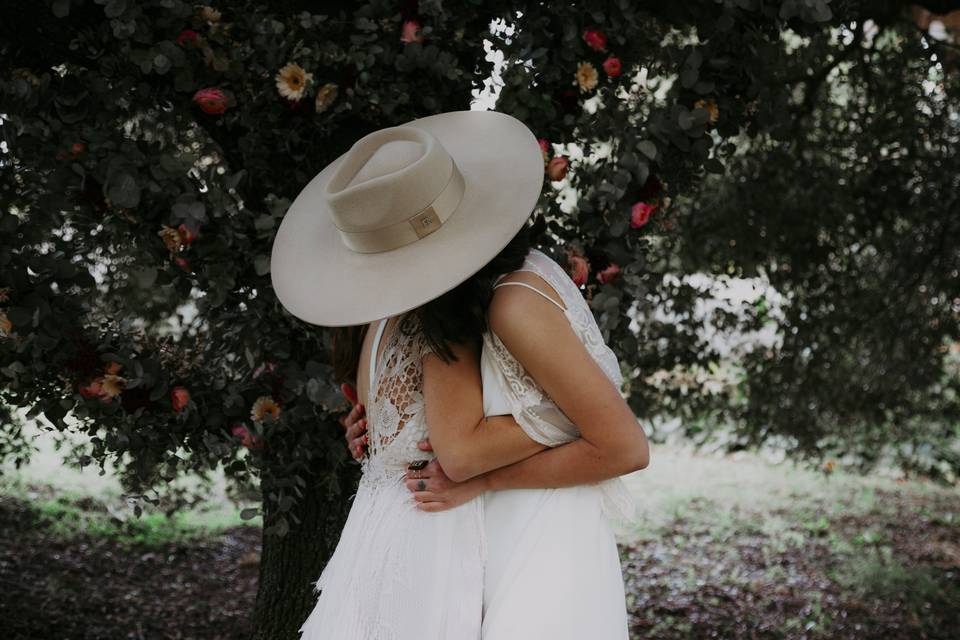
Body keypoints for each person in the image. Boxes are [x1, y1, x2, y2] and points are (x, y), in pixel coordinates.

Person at [270, 109, 649, 640]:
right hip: (477, 533)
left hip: (541, 532)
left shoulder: (511, 304)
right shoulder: (412, 312)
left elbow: (622, 446)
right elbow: (442, 436)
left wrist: (481, 476)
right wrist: (385, 429)